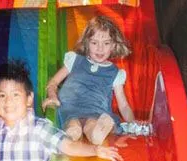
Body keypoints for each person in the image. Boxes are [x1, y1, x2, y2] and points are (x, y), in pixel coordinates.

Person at [42, 15, 135, 145]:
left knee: (92, 124)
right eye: (94, 43)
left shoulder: (115, 73)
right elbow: (53, 82)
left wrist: (133, 124)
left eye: (106, 43)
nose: (100, 48)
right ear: (86, 43)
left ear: (113, 45)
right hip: (70, 109)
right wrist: (52, 95)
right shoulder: (75, 60)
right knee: (73, 125)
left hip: (96, 111)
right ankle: (74, 133)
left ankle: (96, 133)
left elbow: (123, 105)